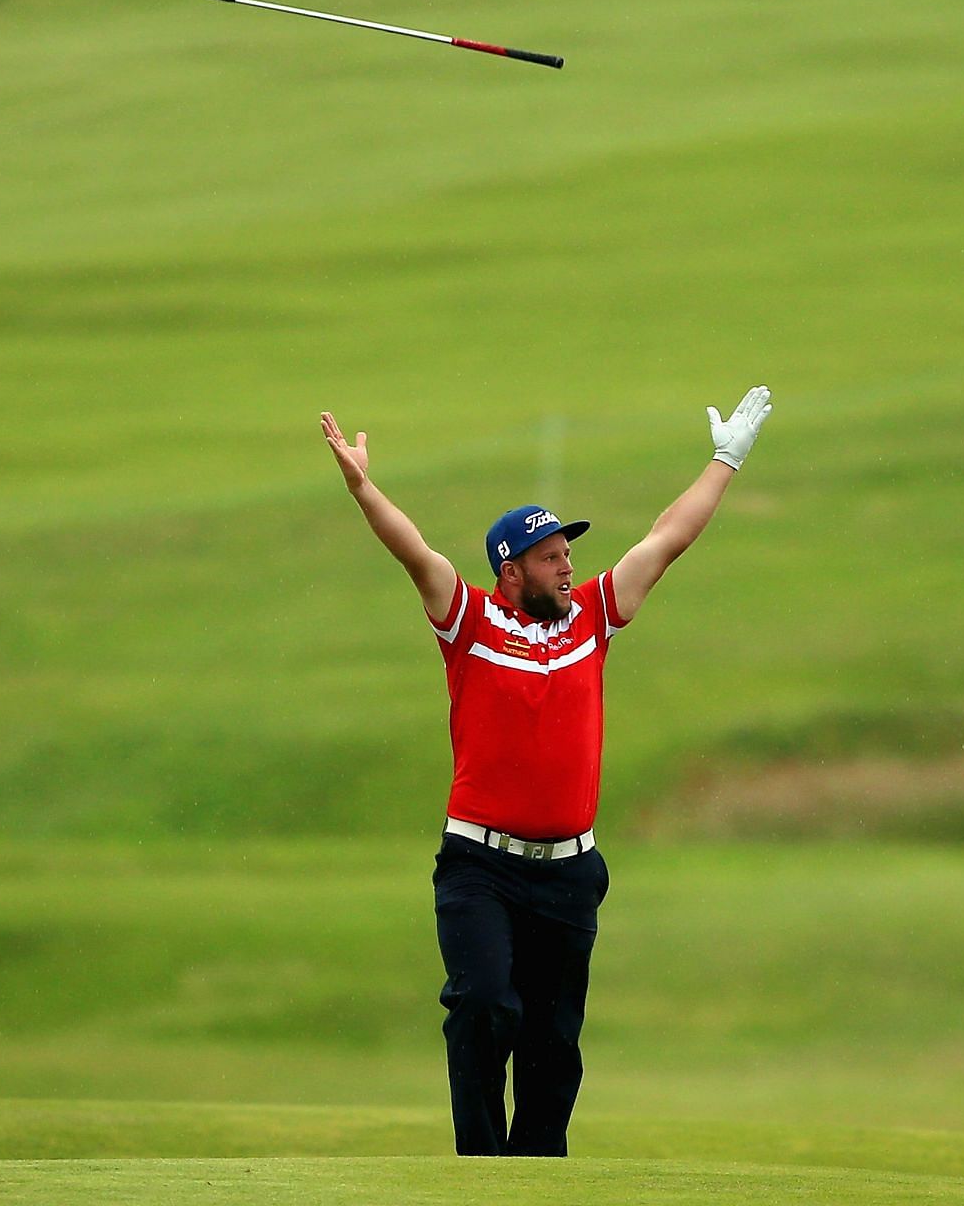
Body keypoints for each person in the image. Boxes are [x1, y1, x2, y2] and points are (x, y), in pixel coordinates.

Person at [318, 386, 774, 1157]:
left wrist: (724, 460)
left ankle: (536, 1179)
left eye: (569, 555)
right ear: (511, 569)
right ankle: (482, 1172)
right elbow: (413, 550)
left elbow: (665, 540)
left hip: (569, 874)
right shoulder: (470, 620)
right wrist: (365, 487)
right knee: (486, 1007)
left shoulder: (592, 618)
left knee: (553, 1046)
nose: (569, 567)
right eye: (552, 557)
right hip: (480, 868)